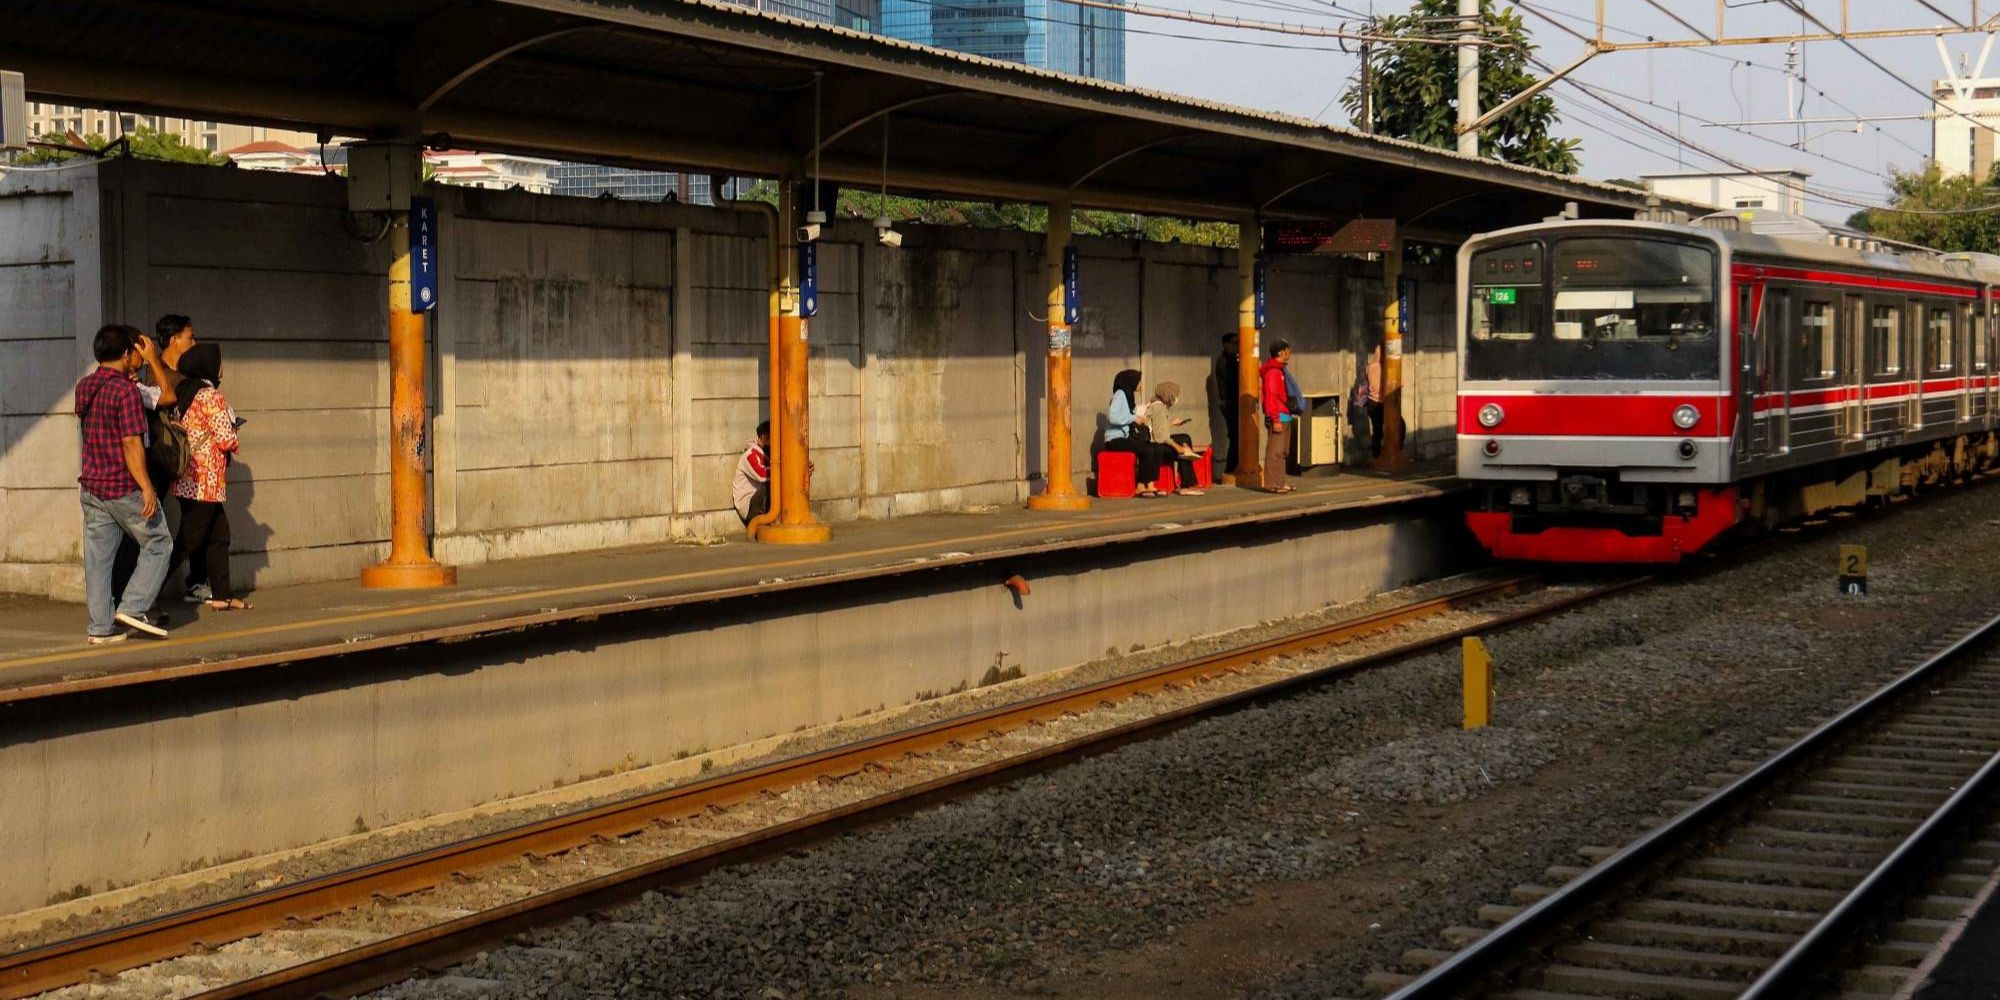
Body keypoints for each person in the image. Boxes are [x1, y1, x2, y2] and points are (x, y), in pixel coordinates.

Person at [75, 325, 172, 643]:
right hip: (121, 485)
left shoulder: (85, 386)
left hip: (92, 484)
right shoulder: (126, 391)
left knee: (98, 560)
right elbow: (131, 443)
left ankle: (100, 628)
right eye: (135, 350)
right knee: (159, 543)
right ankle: (134, 607)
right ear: (127, 353)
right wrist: (146, 486)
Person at [164, 344, 248, 611]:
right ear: (208, 365)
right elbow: (225, 438)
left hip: (187, 479)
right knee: (186, 543)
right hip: (205, 482)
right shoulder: (211, 395)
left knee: (219, 534)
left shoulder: (185, 391)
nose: (222, 368)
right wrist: (234, 431)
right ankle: (137, 598)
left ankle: (222, 596)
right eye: (219, 362)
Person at [1103, 369, 1169, 497]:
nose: (1140, 385)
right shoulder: (1120, 394)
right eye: (1139, 381)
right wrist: (1134, 418)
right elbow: (1113, 417)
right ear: (1131, 381)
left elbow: (1129, 415)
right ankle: (1140, 486)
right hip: (1115, 440)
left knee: (1156, 448)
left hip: (1126, 438)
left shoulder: (1128, 396)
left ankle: (1150, 484)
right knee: (1146, 450)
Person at [1140, 381, 1205, 496]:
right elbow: (1160, 436)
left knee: (1185, 438)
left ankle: (1187, 483)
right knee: (1184, 450)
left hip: (1156, 440)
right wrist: (1177, 447)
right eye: (1175, 395)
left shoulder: (1158, 404)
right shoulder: (1159, 407)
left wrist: (1171, 424)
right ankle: (1185, 485)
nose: (1176, 398)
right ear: (1168, 395)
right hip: (1155, 444)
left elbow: (1157, 427)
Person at [1260, 340, 1302, 493]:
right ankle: (1272, 484)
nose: (1289, 352)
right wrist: (1275, 419)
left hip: (1285, 415)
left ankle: (1281, 482)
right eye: (1287, 350)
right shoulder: (1273, 372)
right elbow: (1271, 397)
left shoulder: (1280, 370)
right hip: (1278, 416)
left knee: (1282, 452)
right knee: (1274, 452)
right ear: (1281, 353)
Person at [733, 421, 772, 525]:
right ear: (764, 436)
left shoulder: (766, 454)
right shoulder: (751, 454)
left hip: (758, 504)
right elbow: (762, 476)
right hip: (749, 508)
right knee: (770, 485)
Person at [1213, 335, 1240, 473]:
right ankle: (1231, 468)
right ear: (1225, 344)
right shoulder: (1224, 361)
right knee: (1235, 436)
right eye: (1235, 343)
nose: (1237, 346)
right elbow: (1235, 378)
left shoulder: (1233, 360)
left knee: (1238, 436)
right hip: (1231, 403)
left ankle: (1234, 466)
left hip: (1235, 402)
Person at [1364, 342, 1386, 459]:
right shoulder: (1387, 367)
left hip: (1371, 402)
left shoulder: (1369, 367)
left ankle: (1376, 455)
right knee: (1399, 426)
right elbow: (1401, 383)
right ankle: (1393, 451)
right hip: (1383, 403)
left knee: (1377, 429)